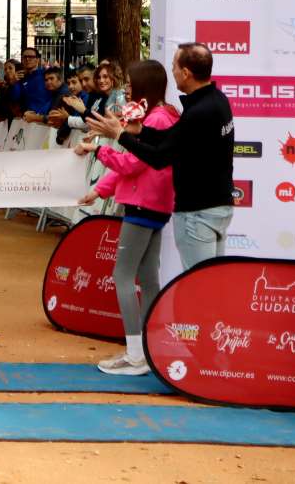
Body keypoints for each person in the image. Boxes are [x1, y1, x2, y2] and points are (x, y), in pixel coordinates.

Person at [87, 43, 235, 270]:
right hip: (216, 207)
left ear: (186, 72)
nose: (172, 72)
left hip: (198, 212)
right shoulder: (216, 101)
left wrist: (120, 136)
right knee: (207, 281)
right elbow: (175, 138)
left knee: (199, 284)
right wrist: (140, 132)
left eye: (175, 66)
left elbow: (159, 158)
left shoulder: (199, 112)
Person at [75, 60, 179, 376]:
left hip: (144, 205)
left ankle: (136, 353)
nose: (128, 90)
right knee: (147, 279)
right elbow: (133, 163)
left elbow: (131, 164)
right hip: (150, 204)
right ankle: (145, 350)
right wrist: (100, 190)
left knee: (123, 276)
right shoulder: (158, 116)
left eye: (132, 84)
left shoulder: (158, 119)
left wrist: (97, 151)